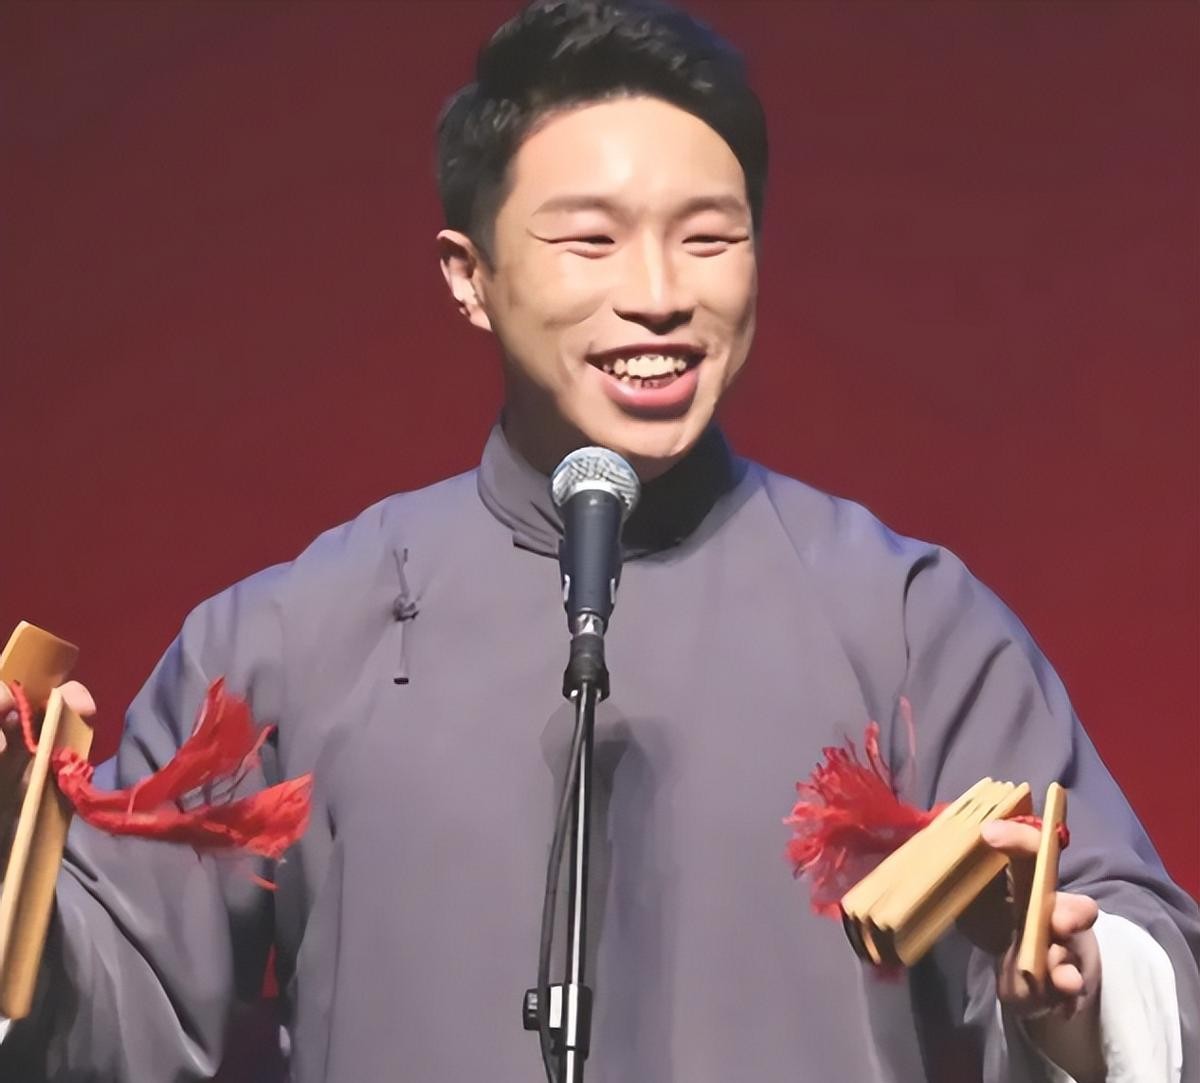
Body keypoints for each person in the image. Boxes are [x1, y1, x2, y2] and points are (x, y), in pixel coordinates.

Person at [0, 1, 1196, 1080]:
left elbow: (1132, 947)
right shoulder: (288, 638)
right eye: (591, 242)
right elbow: (114, 1020)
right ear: (468, 276)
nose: (660, 293)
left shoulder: (903, 621)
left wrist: (1080, 992)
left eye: (710, 238)